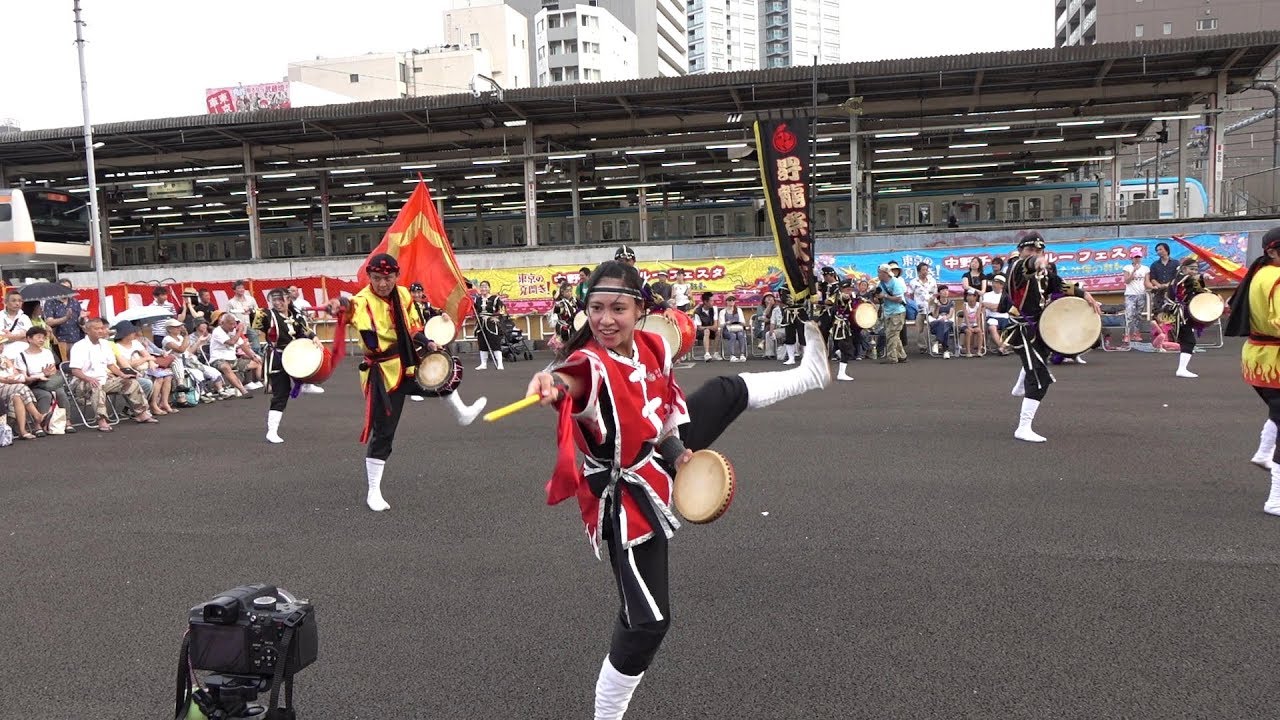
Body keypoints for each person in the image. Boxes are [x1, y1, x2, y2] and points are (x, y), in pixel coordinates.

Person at [524, 260, 830, 720]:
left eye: (618, 309)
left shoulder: (653, 346)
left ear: (640, 311)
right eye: (596, 308)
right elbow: (573, 381)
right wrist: (554, 384)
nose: (605, 320)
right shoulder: (588, 364)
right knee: (647, 624)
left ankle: (810, 375)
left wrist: (677, 451)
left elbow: (660, 414)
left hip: (656, 456)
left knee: (724, 390)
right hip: (626, 498)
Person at [326, 253, 487, 512]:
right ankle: (373, 491)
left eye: (388, 278)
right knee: (384, 432)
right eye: (376, 278)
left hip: (406, 362)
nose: (382, 284)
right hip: (381, 373)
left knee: (442, 376)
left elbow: (413, 328)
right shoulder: (361, 301)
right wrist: (337, 305)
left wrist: (427, 342)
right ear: (369, 277)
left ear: (396, 276)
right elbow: (346, 307)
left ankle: (462, 413)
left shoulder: (403, 295)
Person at [1003, 233, 1101, 443]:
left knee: (1041, 357)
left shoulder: (1045, 273)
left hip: (1037, 326)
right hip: (1022, 330)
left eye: (1039, 251)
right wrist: (1035, 261)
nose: (1035, 254)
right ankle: (1023, 428)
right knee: (1040, 377)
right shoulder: (1016, 268)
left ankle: (1020, 386)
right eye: (1030, 250)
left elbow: (1059, 285)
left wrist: (1084, 294)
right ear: (1020, 251)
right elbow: (1027, 266)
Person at [1224, 226, 1280, 513]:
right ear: (1273, 251)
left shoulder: (1259, 273)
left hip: (1259, 358)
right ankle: (1276, 499)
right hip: (1275, 360)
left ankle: (1264, 452)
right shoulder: (1276, 279)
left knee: (1278, 411)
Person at [253, 288, 320, 444]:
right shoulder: (269, 315)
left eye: (280, 299)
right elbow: (258, 320)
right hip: (277, 357)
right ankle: (272, 431)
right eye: (274, 300)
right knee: (281, 393)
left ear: (288, 300)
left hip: (294, 356)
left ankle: (306, 383)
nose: (277, 303)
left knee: (311, 362)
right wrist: (252, 312)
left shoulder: (296, 315)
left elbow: (305, 329)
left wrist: (314, 337)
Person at [14, 326, 75, 432]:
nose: (42, 340)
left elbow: (53, 370)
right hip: (34, 384)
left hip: (48, 381)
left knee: (60, 392)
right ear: (29, 338)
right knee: (45, 395)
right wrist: (41, 375)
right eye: (38, 337)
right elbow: (25, 378)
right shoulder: (21, 356)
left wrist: (47, 374)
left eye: (43, 338)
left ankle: (67, 421)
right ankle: (39, 424)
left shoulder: (47, 352)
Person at [1168, 256, 1211, 379]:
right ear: (1184, 269)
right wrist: (1202, 276)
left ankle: (1182, 368)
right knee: (1189, 341)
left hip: (1183, 314)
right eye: (1192, 268)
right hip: (1180, 314)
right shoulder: (1182, 279)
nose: (1194, 271)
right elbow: (1191, 283)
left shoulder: (1181, 279)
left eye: (1196, 269)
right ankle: (1181, 369)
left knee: (1186, 340)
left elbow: (1197, 291)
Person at [43, 279, 84, 362]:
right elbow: (49, 322)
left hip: (76, 338)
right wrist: (65, 318)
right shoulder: (51, 302)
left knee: (78, 363)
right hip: (60, 340)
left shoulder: (75, 302)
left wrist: (82, 318)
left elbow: (80, 322)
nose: (65, 290)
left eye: (68, 287)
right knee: (65, 365)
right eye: (63, 287)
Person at [876, 264, 908, 364]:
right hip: (888, 311)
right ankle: (902, 355)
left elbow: (899, 298)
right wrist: (877, 297)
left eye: (880, 272)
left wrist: (885, 296)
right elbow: (879, 298)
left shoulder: (896, 282)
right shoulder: (880, 284)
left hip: (897, 311)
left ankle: (892, 357)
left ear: (885, 273)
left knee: (891, 335)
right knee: (894, 335)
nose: (878, 274)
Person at [474, 280, 506, 371]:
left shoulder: (495, 298)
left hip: (491, 323)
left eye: (485, 286)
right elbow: (475, 311)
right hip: (481, 323)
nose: (483, 288)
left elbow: (502, 309)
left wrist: (497, 318)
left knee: (495, 342)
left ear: (489, 288)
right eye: (482, 287)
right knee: (482, 343)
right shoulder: (477, 299)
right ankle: (483, 364)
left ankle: (500, 363)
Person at [830, 280, 858, 380]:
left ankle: (838, 352)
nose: (849, 291)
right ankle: (841, 374)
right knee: (847, 349)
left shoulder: (848, 296)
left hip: (845, 325)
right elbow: (843, 298)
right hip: (840, 326)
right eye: (847, 289)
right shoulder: (841, 296)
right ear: (842, 289)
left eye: (851, 289)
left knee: (847, 347)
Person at [1122, 249, 1150, 345]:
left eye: (1139, 257)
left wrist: (1153, 287)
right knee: (1129, 315)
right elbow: (1126, 281)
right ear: (1132, 258)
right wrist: (1134, 271)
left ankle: (1136, 333)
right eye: (1135, 257)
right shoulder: (1127, 267)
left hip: (1141, 294)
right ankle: (1127, 334)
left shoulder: (1145, 268)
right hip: (1130, 294)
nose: (1137, 259)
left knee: (1138, 315)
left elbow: (1146, 282)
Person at [908, 263, 937, 354]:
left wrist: (932, 302)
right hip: (919, 309)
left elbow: (935, 293)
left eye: (926, 270)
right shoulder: (913, 282)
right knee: (919, 329)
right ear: (918, 271)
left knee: (933, 327)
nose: (925, 272)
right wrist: (915, 305)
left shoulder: (932, 280)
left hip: (931, 308)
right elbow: (910, 295)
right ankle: (922, 346)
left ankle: (934, 346)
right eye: (923, 270)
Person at [778, 285, 808, 365]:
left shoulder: (803, 285)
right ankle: (791, 358)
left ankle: (806, 357)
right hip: (789, 313)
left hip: (801, 312)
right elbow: (784, 299)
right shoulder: (784, 287)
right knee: (789, 335)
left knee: (803, 335)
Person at [1148, 242, 1178, 311]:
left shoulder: (1176, 263)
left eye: (1160, 249)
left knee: (1172, 310)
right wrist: (1159, 285)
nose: (1158, 252)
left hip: (1172, 291)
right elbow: (1152, 278)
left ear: (1167, 250)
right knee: (1158, 311)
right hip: (1158, 292)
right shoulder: (1154, 264)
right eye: (1157, 250)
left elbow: (1177, 277)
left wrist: (1168, 285)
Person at [719, 295, 748, 363]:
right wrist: (727, 323)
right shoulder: (723, 311)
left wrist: (740, 323)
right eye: (730, 300)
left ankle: (742, 354)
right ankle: (732, 355)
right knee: (733, 335)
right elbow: (721, 324)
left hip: (738, 328)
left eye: (733, 300)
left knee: (741, 335)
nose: (732, 302)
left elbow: (743, 322)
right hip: (727, 330)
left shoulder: (739, 310)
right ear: (726, 301)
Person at [929, 286, 956, 359]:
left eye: (947, 290)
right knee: (942, 325)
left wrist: (945, 317)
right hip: (936, 322)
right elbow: (935, 316)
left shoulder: (951, 302)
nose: (945, 292)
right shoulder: (935, 302)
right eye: (943, 290)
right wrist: (937, 307)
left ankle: (937, 342)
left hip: (947, 321)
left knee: (945, 325)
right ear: (939, 293)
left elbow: (950, 314)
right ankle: (946, 350)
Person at [692, 292, 720, 361]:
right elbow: (699, 327)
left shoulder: (714, 309)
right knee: (706, 331)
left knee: (718, 332)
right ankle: (707, 354)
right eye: (711, 301)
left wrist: (707, 327)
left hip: (711, 330)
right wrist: (709, 328)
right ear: (705, 302)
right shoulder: (697, 312)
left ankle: (715, 353)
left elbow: (715, 326)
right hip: (700, 332)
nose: (713, 302)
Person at [757, 293, 782, 359]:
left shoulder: (777, 307)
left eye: (771, 297)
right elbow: (763, 316)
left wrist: (769, 320)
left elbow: (777, 319)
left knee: (769, 326)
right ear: (764, 299)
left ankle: (762, 342)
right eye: (767, 297)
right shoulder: (760, 307)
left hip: (775, 325)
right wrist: (769, 305)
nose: (769, 298)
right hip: (762, 326)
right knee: (768, 327)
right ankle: (768, 351)